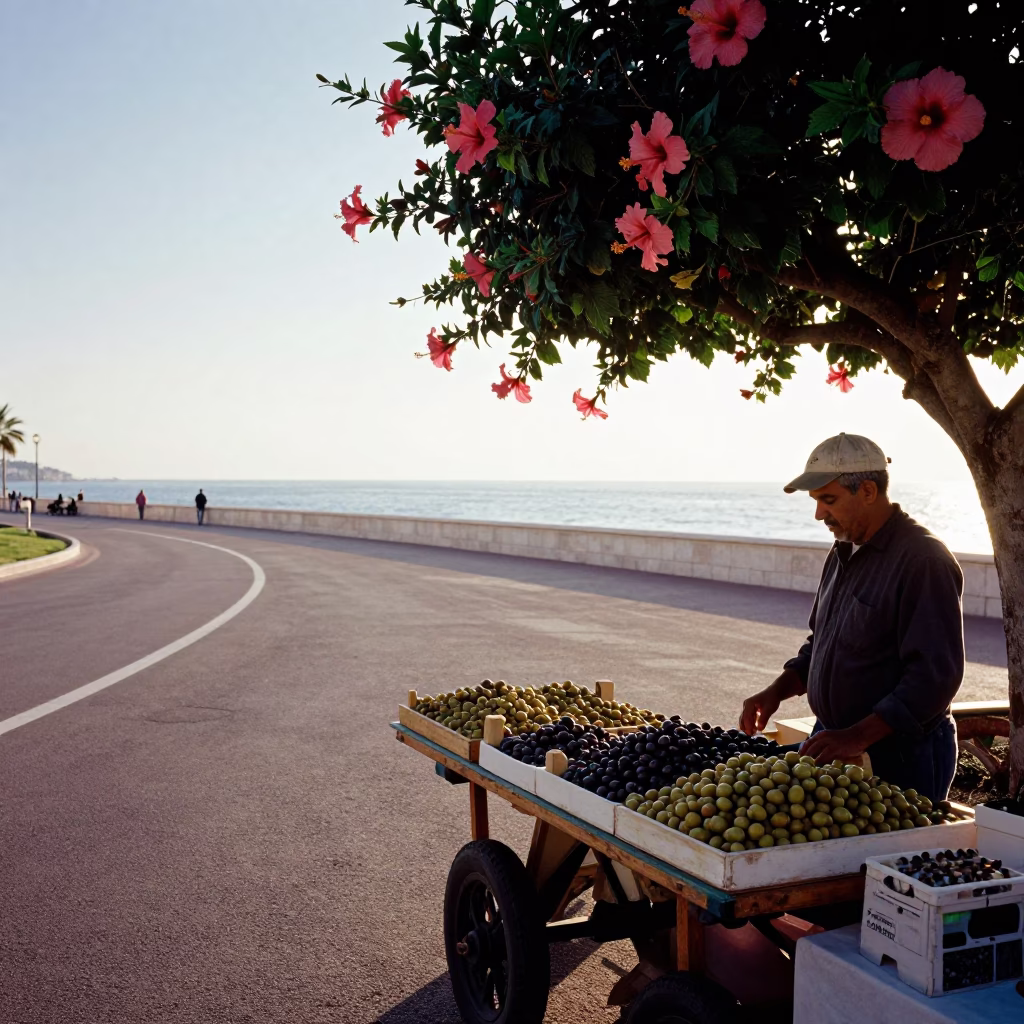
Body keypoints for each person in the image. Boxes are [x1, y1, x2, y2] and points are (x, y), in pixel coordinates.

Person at [739, 433, 964, 802]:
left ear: (869, 491)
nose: (819, 514)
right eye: (816, 502)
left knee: (884, 858)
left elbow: (934, 678)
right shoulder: (843, 548)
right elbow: (821, 642)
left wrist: (857, 736)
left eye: (829, 500)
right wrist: (776, 691)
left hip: (902, 754)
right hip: (836, 738)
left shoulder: (924, 560)